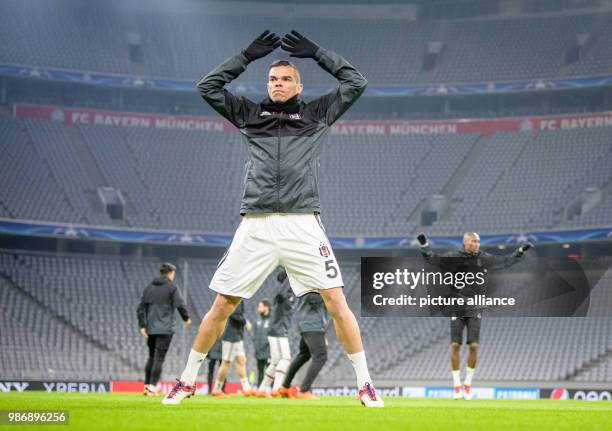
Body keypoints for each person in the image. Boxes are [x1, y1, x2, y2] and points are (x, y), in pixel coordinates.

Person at [162, 30, 383, 407]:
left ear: (298, 85)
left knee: (335, 298)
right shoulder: (250, 114)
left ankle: (365, 384)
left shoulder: (315, 113)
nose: (277, 84)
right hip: (257, 223)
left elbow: (355, 82)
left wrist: (317, 53)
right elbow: (208, 86)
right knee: (222, 305)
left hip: (302, 222)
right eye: (272, 79)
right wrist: (246, 55)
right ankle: (185, 381)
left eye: (284, 79)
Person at [417, 232, 532, 400]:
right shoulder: (454, 257)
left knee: (474, 346)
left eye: (478, 241)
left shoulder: (484, 258)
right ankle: (457, 386)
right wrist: (424, 245)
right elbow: (433, 260)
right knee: (455, 345)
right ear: (465, 242)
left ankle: (468, 385)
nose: (477, 244)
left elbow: (505, 262)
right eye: (474, 241)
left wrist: (520, 251)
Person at [137, 262, 191, 396]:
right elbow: (180, 304)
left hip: (150, 329)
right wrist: (186, 318)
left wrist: (143, 326)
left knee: (151, 357)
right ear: (170, 273)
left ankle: (146, 386)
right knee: (159, 358)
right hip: (165, 329)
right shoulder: (172, 287)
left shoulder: (149, 288)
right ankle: (152, 387)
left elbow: (140, 308)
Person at [279, 291, 328, 400]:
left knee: (304, 355)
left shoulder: (305, 287)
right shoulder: (313, 289)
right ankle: (304, 390)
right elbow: (319, 299)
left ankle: (285, 386)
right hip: (313, 325)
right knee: (320, 356)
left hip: (307, 324)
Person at [257, 271, 294, 397]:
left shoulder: (288, 293)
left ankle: (262, 390)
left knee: (275, 361)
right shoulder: (283, 293)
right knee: (286, 359)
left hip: (277, 329)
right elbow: (280, 293)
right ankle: (277, 388)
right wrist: (289, 278)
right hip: (279, 330)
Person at [210, 301, 254, 397]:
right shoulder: (236, 297)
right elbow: (234, 314)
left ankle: (246, 389)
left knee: (241, 361)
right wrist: (246, 322)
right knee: (226, 362)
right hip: (231, 336)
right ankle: (217, 389)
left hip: (237, 336)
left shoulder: (238, 297)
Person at [252, 299, 271, 387]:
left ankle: (273, 391)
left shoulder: (272, 320)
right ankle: (260, 391)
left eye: (260, 306)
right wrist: (256, 347)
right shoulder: (257, 321)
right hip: (259, 352)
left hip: (269, 352)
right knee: (260, 372)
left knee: (270, 372)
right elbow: (254, 336)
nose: (259, 308)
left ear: (266, 307)